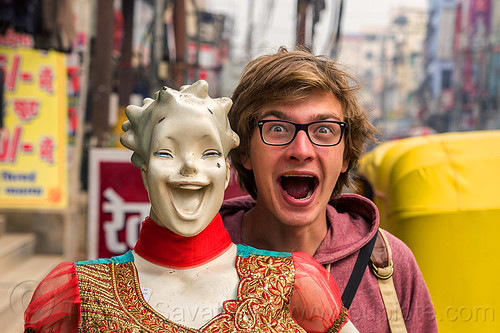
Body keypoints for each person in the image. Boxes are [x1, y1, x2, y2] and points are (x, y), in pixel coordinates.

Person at [24, 80, 357, 332]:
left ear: (227, 171)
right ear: (143, 169)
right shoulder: (78, 296)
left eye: (209, 154)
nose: (188, 169)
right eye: (165, 153)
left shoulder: (295, 284)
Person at [220, 47, 439, 332]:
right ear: (245, 151)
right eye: (277, 128)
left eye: (324, 130)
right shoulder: (200, 257)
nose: (301, 150)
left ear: (346, 156)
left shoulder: (390, 264)